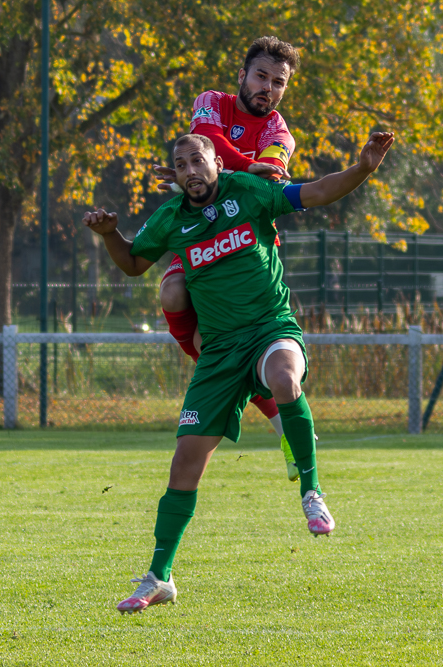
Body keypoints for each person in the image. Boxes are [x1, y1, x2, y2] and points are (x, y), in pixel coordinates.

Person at [84, 130, 395, 614]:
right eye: (180, 164)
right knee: (185, 464)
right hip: (220, 353)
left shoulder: (248, 193)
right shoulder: (170, 219)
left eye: (197, 160)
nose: (189, 170)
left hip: (270, 327)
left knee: (285, 380)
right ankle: (160, 576)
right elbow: (131, 264)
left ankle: (312, 491)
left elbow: (312, 192)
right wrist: (109, 235)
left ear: (216, 163)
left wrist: (363, 169)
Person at [154, 36, 299, 481]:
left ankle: (288, 429)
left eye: (279, 82)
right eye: (261, 76)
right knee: (173, 291)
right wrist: (225, 169)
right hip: (201, 228)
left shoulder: (280, 133)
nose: (268, 88)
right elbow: (209, 140)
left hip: (246, 243)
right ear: (242, 75)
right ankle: (284, 426)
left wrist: (204, 174)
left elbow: (269, 176)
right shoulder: (211, 102)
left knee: (241, 344)